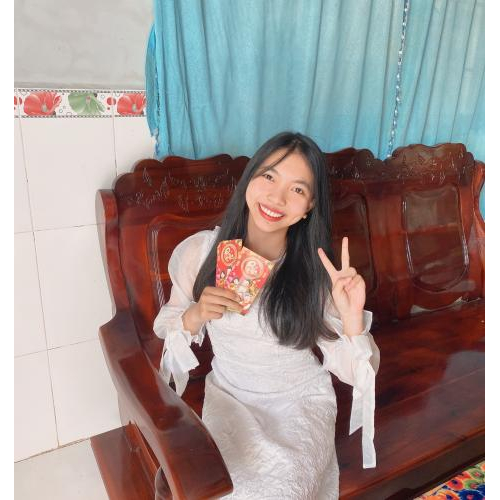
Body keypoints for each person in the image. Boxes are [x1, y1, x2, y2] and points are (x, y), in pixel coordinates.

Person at [153, 131, 380, 499]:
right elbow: (167, 327)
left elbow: (359, 373)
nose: (277, 197)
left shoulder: (315, 275)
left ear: (309, 206)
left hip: (300, 403)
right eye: (269, 176)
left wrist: (352, 319)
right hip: (230, 399)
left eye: (297, 189)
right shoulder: (200, 253)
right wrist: (196, 314)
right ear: (250, 177)